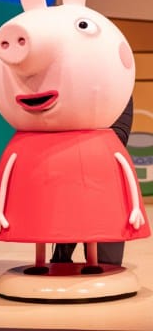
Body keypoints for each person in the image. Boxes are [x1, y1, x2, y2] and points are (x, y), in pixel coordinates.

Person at [51, 96, 134, 265]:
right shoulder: (67, 90)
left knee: (107, 266)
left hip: (105, 181)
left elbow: (119, 137)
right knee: (60, 265)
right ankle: (62, 253)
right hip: (70, 176)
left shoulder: (118, 90)